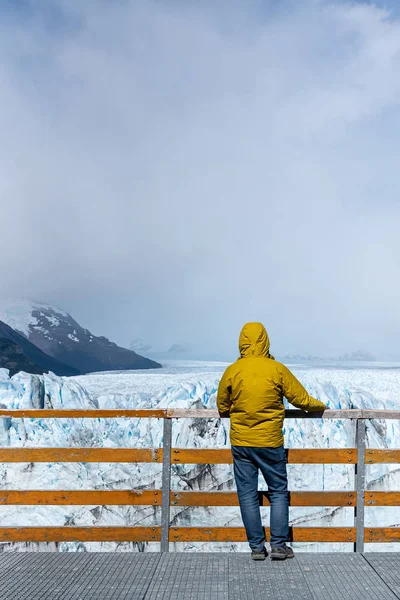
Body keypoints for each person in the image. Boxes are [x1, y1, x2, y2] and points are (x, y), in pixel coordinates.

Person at [217, 322, 328, 561]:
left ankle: (257, 548)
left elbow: (222, 405)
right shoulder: (276, 369)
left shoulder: (232, 371)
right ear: (266, 341)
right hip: (270, 442)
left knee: (247, 494)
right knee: (278, 492)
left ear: (242, 342)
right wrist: (321, 406)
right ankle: (278, 545)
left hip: (242, 443)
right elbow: (302, 400)